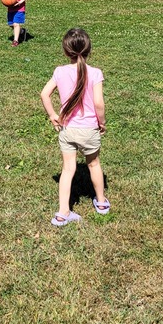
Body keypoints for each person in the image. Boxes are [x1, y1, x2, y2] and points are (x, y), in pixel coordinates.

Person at [40, 28, 109, 227]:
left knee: (68, 169)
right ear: (89, 50)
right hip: (89, 129)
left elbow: (44, 94)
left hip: (67, 130)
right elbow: (98, 103)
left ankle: (63, 213)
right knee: (94, 164)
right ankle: (102, 203)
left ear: (65, 51)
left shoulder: (60, 72)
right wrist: (101, 122)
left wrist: (53, 115)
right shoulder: (95, 73)